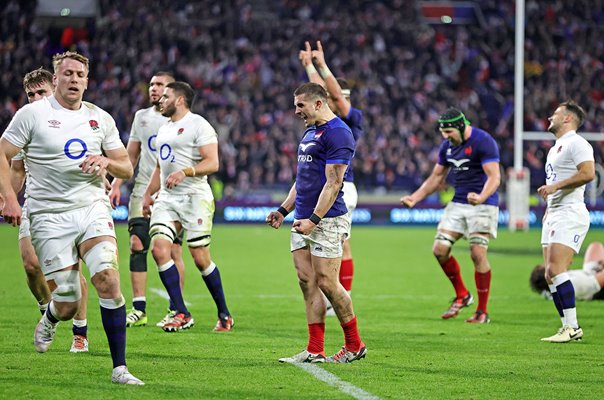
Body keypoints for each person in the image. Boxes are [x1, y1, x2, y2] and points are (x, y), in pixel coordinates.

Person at [0, 51, 143, 385]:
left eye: (80, 74)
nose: (74, 79)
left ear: (87, 81)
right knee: (67, 302)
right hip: (48, 215)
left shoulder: (100, 118)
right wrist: (8, 198)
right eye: (67, 74)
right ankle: (51, 316)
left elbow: (126, 166)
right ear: (55, 79)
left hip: (91, 208)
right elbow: (4, 153)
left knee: (107, 278)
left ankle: (119, 368)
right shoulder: (31, 115)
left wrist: (106, 162)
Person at [266, 82, 366, 363]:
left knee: (327, 282)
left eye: (301, 105)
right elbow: (303, 179)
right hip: (302, 218)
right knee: (306, 281)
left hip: (327, 219)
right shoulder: (311, 132)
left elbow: (334, 183)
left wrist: (314, 219)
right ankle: (315, 349)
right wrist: (283, 210)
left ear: (319, 104)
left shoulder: (338, 133)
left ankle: (355, 344)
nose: (296, 110)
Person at [142, 81, 234, 333]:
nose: (160, 100)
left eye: (166, 96)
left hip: (195, 196)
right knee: (160, 250)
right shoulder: (164, 129)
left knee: (200, 258)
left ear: (180, 100)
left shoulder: (199, 125)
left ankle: (224, 313)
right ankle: (181, 311)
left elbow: (213, 162)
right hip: (168, 199)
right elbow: (160, 167)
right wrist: (147, 195)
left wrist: (186, 171)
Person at [10, 67, 91, 353]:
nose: (35, 98)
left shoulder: (75, 119)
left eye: (40, 92)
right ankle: (49, 314)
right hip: (36, 203)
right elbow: (17, 168)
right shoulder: (26, 121)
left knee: (71, 271)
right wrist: (8, 196)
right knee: (31, 266)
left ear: (53, 89)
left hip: (73, 204)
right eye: (31, 94)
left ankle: (80, 332)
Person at [400, 108, 501, 324]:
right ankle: (463, 294)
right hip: (458, 203)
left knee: (477, 253)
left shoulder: (484, 141)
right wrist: (415, 197)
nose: (445, 137)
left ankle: (482, 312)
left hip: (483, 204)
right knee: (440, 250)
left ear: (461, 126)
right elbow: (436, 177)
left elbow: (495, 176)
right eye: (443, 133)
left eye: (449, 132)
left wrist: (482, 196)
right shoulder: (447, 146)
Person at [109, 71, 188, 328]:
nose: (155, 89)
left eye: (161, 85)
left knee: (173, 250)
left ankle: (176, 308)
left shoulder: (183, 121)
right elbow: (131, 156)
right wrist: (116, 184)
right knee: (136, 244)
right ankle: (139, 307)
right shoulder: (141, 117)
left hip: (171, 193)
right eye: (152, 84)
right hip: (141, 188)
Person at [299, 40, 362, 315]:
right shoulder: (321, 124)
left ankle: (340, 297)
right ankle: (335, 295)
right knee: (336, 248)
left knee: (341, 247)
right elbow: (320, 92)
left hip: (340, 186)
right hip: (326, 186)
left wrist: (321, 65)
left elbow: (333, 96)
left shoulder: (348, 119)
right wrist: (309, 67)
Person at [537, 100, 595, 343]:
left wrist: (555, 187)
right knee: (549, 275)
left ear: (568, 118)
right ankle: (566, 327)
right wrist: (549, 209)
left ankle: (573, 327)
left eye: (555, 114)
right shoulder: (556, 147)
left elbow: (588, 173)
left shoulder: (577, 143)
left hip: (571, 212)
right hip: (555, 213)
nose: (551, 117)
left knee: (555, 270)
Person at [530, 242, 604, 301]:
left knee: (595, 246)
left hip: (589, 274)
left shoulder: (549, 291)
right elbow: (599, 281)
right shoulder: (574, 284)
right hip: (597, 283)